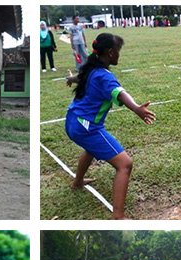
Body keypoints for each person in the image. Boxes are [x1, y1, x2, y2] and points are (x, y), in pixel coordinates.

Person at [64, 33, 156, 219]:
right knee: (125, 164)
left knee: (91, 149)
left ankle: (78, 182)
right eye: (118, 51)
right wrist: (137, 109)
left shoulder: (92, 68)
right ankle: (118, 216)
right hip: (86, 127)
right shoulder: (104, 76)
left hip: (72, 120)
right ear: (111, 53)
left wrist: (71, 79)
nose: (119, 55)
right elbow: (120, 93)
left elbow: (80, 77)